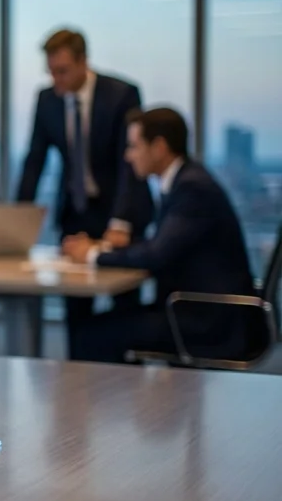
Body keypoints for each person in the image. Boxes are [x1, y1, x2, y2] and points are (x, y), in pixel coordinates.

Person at [62, 107, 262, 364]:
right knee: (104, 326)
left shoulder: (192, 188)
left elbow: (156, 255)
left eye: (134, 146)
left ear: (158, 147)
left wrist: (92, 254)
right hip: (199, 310)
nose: (127, 156)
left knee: (89, 335)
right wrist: (109, 248)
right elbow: (164, 247)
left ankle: (116, 402)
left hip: (207, 320)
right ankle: (132, 400)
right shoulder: (186, 181)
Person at [16, 29, 153, 360]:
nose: (56, 79)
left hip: (120, 212)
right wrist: (17, 218)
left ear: (83, 63)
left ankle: (127, 387)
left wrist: (120, 221)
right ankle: (77, 391)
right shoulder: (47, 99)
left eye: (62, 71)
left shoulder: (121, 94)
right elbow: (35, 159)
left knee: (124, 307)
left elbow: (129, 165)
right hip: (76, 213)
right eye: (51, 71)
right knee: (75, 310)